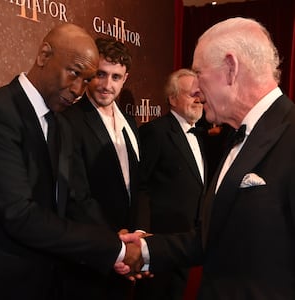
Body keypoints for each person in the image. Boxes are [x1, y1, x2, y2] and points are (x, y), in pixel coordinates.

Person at [119, 16, 295, 300]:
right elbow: (213, 239)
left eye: (199, 73)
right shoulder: (236, 136)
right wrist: (145, 250)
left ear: (230, 68)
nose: (197, 91)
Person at [0, 23, 137, 300]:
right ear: (44, 55)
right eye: (74, 73)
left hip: (53, 281)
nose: (78, 89)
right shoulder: (1, 112)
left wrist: (114, 238)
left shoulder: (60, 123)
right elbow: (19, 214)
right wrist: (114, 249)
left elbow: (73, 199)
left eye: (85, 80)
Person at [62, 37, 148, 300]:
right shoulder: (70, 121)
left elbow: (140, 186)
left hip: (126, 255)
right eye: (100, 74)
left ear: (125, 78)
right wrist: (113, 240)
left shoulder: (130, 124)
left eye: (115, 77)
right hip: (88, 257)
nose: (106, 85)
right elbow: (76, 193)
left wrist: (139, 238)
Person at [134, 68, 206, 300]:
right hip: (161, 243)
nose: (199, 99)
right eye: (191, 94)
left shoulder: (201, 135)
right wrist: (143, 234)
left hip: (188, 242)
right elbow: (140, 185)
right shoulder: (155, 132)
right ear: (172, 98)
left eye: (200, 94)